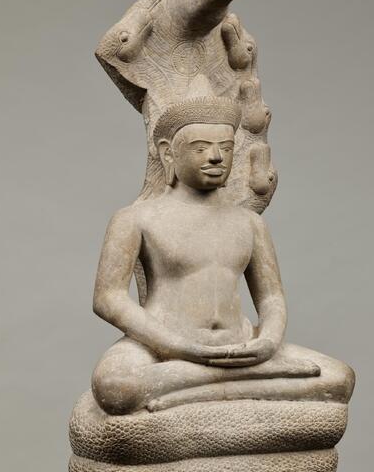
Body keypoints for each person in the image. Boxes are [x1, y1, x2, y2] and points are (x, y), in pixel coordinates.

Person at [91, 97, 353, 414]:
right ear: (167, 152)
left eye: (226, 148)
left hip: (239, 342)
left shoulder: (250, 223)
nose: (216, 157)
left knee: (339, 378)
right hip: (162, 345)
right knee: (116, 388)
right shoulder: (136, 218)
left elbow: (271, 297)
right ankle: (245, 379)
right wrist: (177, 346)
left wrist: (268, 341)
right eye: (200, 148)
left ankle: (196, 386)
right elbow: (108, 298)